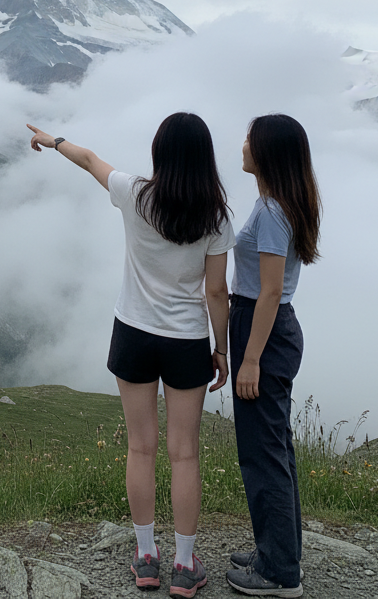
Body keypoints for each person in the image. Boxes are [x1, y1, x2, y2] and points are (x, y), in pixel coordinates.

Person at [28, 115, 233, 598]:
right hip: (186, 341)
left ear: (160, 153)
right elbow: (217, 292)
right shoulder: (216, 215)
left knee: (141, 447)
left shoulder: (136, 193)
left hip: (134, 332)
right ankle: (185, 565)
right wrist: (221, 348)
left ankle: (146, 558)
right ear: (205, 159)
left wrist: (51, 140)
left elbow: (90, 160)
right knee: (185, 453)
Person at [225, 114, 321, 598]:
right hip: (275, 328)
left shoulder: (270, 212)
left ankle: (280, 573)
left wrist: (249, 359)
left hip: (261, 328)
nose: (243, 145)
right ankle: (277, 551)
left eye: (250, 139)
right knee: (275, 447)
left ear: (267, 153)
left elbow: (266, 293)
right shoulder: (281, 203)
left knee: (263, 453)